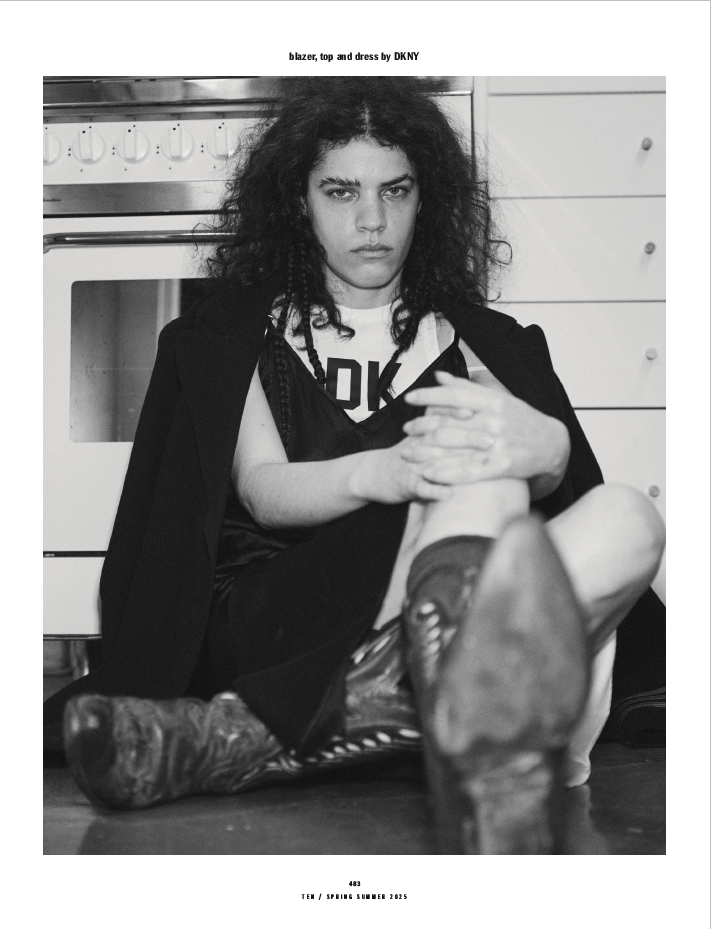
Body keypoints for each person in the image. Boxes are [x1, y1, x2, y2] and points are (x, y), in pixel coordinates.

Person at [45, 77, 666, 854]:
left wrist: (549, 449)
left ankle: (286, 728)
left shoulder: (485, 343)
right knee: (465, 466)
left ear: (423, 200)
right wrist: (390, 472)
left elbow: (555, 489)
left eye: (394, 191)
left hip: (454, 609)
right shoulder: (231, 334)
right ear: (298, 202)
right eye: (341, 191)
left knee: (628, 518)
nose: (371, 220)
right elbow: (264, 490)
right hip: (279, 614)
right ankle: (452, 716)